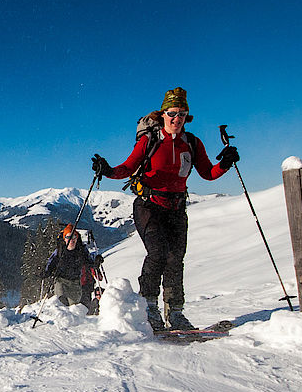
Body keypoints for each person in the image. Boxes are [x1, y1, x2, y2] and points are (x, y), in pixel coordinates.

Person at [91, 87, 239, 331]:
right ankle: (149, 307)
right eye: (172, 113)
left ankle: (175, 311)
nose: (177, 118)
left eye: (182, 113)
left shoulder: (192, 143)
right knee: (158, 253)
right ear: (163, 114)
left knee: (175, 259)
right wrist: (106, 171)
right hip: (148, 206)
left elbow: (208, 173)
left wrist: (224, 163)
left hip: (177, 208)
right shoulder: (149, 141)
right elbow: (127, 168)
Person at [43, 224, 102, 313]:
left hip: (75, 283)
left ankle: (73, 326)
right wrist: (46, 272)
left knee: (74, 309)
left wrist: (96, 263)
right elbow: (51, 262)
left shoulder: (81, 250)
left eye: (74, 237)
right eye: (68, 237)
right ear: (64, 238)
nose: (71, 240)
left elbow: (89, 263)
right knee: (61, 301)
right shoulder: (60, 250)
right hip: (61, 280)